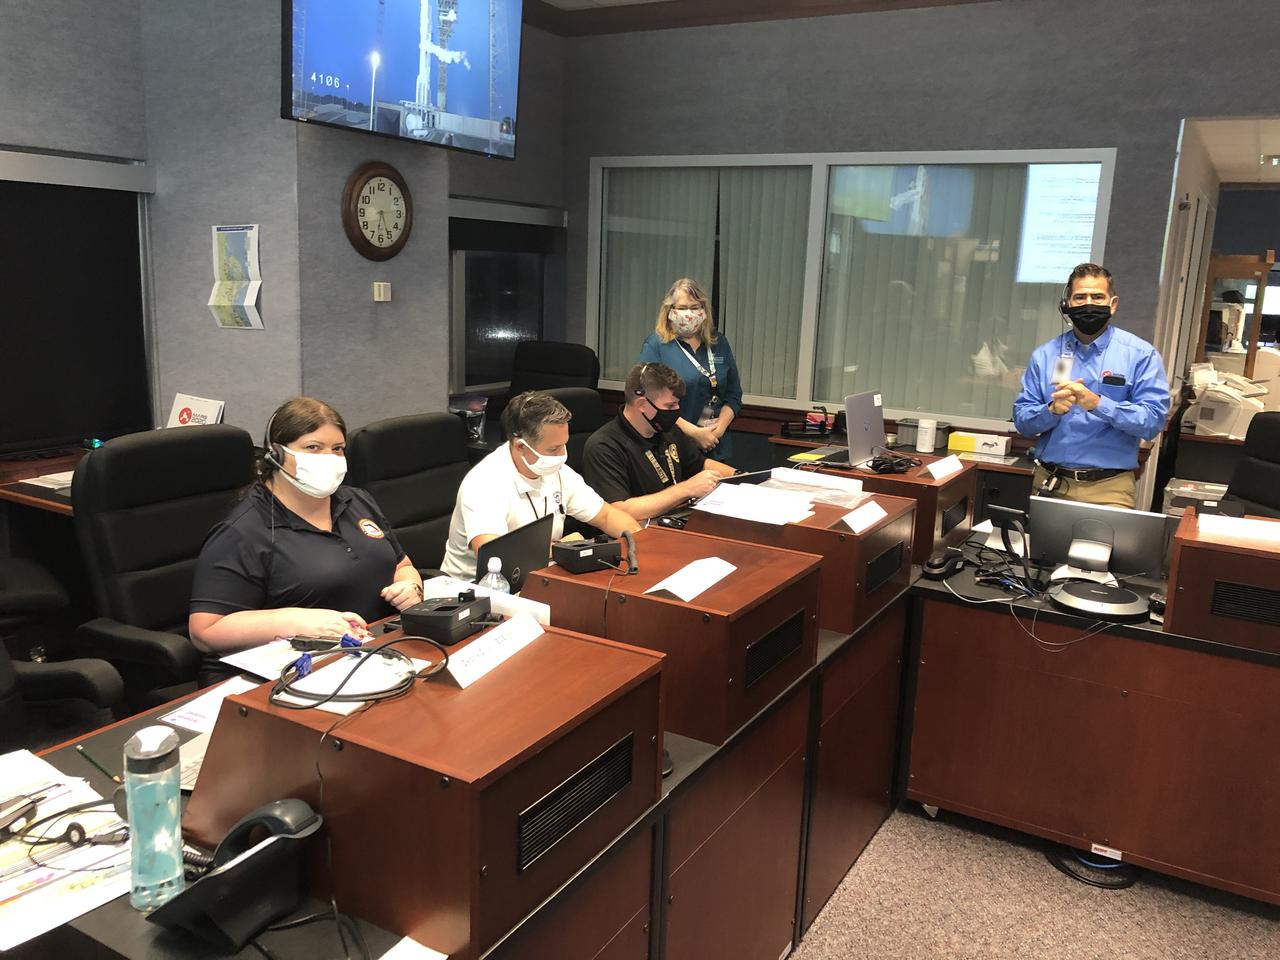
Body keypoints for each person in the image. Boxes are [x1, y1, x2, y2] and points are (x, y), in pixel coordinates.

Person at [189, 397, 424, 663]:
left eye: (337, 449)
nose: (329, 458)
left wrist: (410, 585)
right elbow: (205, 631)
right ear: (276, 454)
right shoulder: (244, 529)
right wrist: (295, 620)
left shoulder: (356, 500)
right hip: (288, 668)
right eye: (313, 447)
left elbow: (401, 564)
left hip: (375, 649)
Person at [1013, 263, 1169, 509]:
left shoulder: (1141, 355)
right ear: (1067, 305)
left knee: (1102, 549)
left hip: (1109, 489)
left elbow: (1152, 423)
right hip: (1050, 483)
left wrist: (1098, 404)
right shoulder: (1045, 355)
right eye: (1080, 297)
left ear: (1113, 304)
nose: (1089, 304)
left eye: (1097, 297)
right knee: (1043, 548)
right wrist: (1051, 410)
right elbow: (1022, 421)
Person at [440, 390, 641, 582]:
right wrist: (561, 548)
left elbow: (606, 516)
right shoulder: (485, 482)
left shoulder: (557, 471)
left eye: (565, 444)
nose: (562, 455)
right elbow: (494, 557)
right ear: (520, 446)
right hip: (480, 588)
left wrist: (639, 544)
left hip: (540, 574)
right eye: (554, 449)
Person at [582, 362, 735, 521]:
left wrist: (741, 477)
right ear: (642, 404)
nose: (676, 411)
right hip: (637, 531)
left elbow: (699, 463)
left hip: (674, 521)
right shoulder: (604, 446)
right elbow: (618, 510)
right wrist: (686, 489)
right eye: (670, 406)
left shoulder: (667, 430)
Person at [638, 278, 744, 463]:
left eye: (695, 307)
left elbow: (733, 394)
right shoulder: (657, 345)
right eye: (682, 307)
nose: (689, 314)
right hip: (673, 447)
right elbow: (647, 401)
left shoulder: (718, 343)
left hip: (716, 445)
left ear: (704, 311)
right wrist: (695, 433)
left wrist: (718, 430)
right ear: (670, 311)